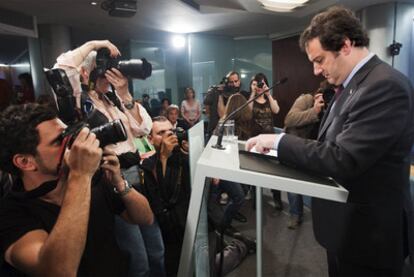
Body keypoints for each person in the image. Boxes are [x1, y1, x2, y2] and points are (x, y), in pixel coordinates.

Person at [247, 6, 414, 276]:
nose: (315, 70)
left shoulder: (384, 85)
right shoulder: (352, 85)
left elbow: (342, 158)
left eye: (320, 60)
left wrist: (279, 141)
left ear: (346, 45)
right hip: (346, 231)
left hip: (370, 236)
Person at [0, 103, 153, 276]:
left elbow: (145, 218)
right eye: (59, 141)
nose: (74, 143)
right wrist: (80, 175)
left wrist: (119, 182)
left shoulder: (94, 181)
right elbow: (58, 271)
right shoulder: (10, 213)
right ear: (25, 162)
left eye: (69, 133)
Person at [55, 40, 165, 277]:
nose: (111, 77)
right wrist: (96, 44)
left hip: (139, 176)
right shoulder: (78, 103)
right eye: (104, 72)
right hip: (112, 179)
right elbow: (62, 67)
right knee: (138, 261)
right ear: (87, 73)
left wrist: (124, 94)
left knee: (157, 250)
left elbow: (143, 128)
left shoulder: (114, 97)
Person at [143, 116, 191, 276]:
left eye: (170, 131)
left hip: (188, 226)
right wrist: (163, 157)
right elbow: (162, 198)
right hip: (166, 232)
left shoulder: (183, 159)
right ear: (150, 139)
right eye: (161, 132)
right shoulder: (147, 165)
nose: (167, 135)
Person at [283, 80, 334, 229]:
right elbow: (289, 119)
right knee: (293, 183)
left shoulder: (334, 106)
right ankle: (295, 214)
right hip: (296, 146)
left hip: (316, 150)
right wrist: (314, 110)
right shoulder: (306, 99)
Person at [248, 73, 282, 210]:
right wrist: (252, 94)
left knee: (274, 171)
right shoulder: (251, 99)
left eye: (261, 84)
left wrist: (268, 94)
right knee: (256, 171)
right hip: (256, 141)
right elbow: (247, 113)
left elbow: (277, 110)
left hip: (270, 141)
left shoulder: (269, 99)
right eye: (256, 84)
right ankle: (255, 199)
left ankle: (277, 198)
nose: (259, 87)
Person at [204, 71, 243, 138]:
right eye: (231, 82)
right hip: (215, 131)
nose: (234, 84)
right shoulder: (216, 92)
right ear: (227, 83)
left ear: (239, 81)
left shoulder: (241, 95)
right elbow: (207, 111)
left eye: (236, 81)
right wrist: (218, 93)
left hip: (230, 133)